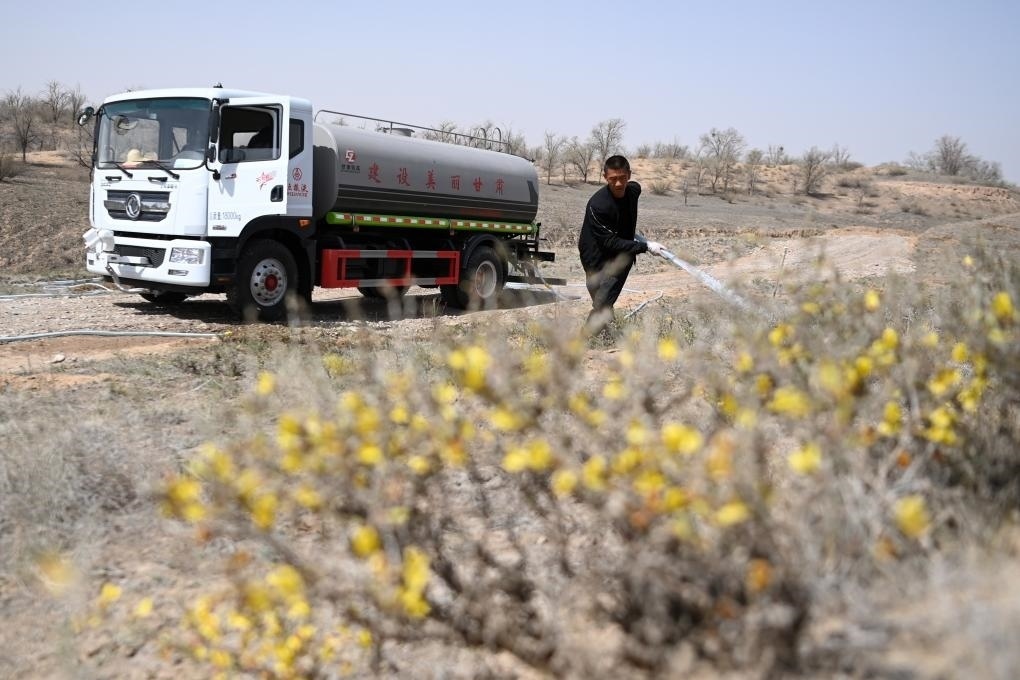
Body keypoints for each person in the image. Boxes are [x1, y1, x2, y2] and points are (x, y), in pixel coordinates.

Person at [577, 155, 663, 337]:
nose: (618, 183)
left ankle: (584, 340)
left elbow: (635, 188)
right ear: (605, 178)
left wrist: (636, 244)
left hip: (621, 256)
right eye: (613, 179)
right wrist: (646, 246)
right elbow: (609, 242)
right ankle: (608, 333)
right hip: (594, 255)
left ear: (629, 175)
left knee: (602, 302)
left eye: (623, 178)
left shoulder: (633, 190)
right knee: (601, 299)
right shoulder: (598, 205)